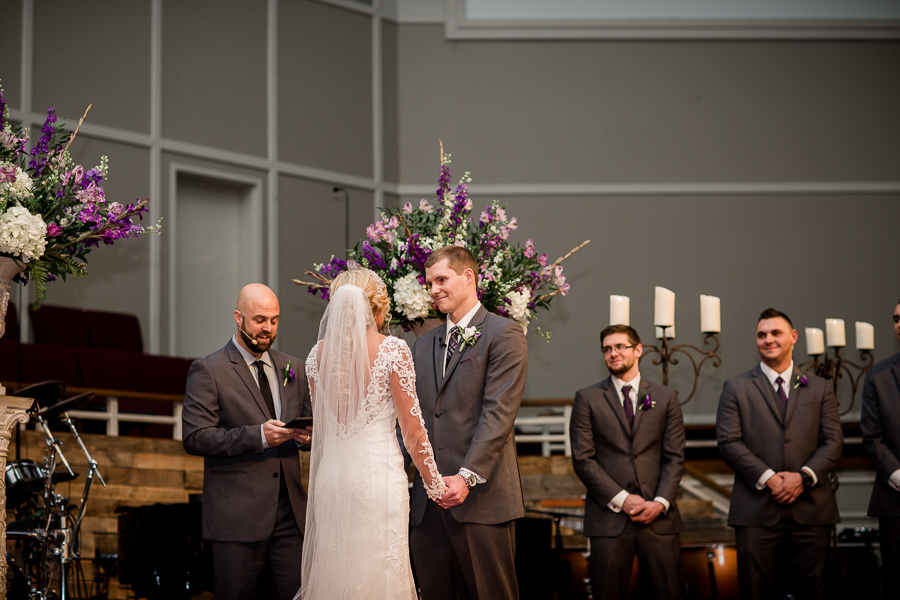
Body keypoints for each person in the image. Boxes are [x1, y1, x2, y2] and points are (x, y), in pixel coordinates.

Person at [297, 267, 446, 600]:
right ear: (377, 310)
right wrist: (435, 484)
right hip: (377, 481)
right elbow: (413, 432)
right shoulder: (393, 351)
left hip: (331, 479)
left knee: (336, 571)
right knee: (379, 572)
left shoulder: (315, 357)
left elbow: (322, 432)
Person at [409, 245, 529, 600]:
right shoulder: (422, 344)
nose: (433, 290)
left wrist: (466, 477)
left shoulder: (504, 333)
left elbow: (499, 413)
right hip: (428, 507)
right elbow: (414, 417)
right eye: (429, 283)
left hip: (481, 501)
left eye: (441, 280)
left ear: (468, 277)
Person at [182, 283, 312, 600]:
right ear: (238, 318)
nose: (268, 328)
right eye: (259, 320)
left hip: (291, 516)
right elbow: (195, 437)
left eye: (275, 320)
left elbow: (309, 421)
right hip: (236, 518)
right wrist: (258, 436)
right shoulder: (208, 369)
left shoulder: (292, 367)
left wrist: (305, 438)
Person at [716, 308, 843, 600]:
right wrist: (770, 479)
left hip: (811, 510)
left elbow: (834, 440)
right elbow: (729, 442)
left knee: (814, 591)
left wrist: (803, 477)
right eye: (762, 335)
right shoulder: (736, 388)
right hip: (756, 511)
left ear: (793, 337)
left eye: (776, 333)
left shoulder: (820, 388)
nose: (768, 340)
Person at [570, 324, 686, 599]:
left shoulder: (666, 397)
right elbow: (583, 459)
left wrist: (660, 502)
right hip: (608, 520)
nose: (613, 353)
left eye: (620, 346)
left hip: (658, 519)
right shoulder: (587, 399)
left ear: (638, 350)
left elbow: (675, 456)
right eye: (607, 349)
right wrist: (622, 499)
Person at [861, 299, 900, 600]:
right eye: (897, 319)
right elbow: (871, 437)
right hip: (895, 500)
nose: (899, 326)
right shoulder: (878, 375)